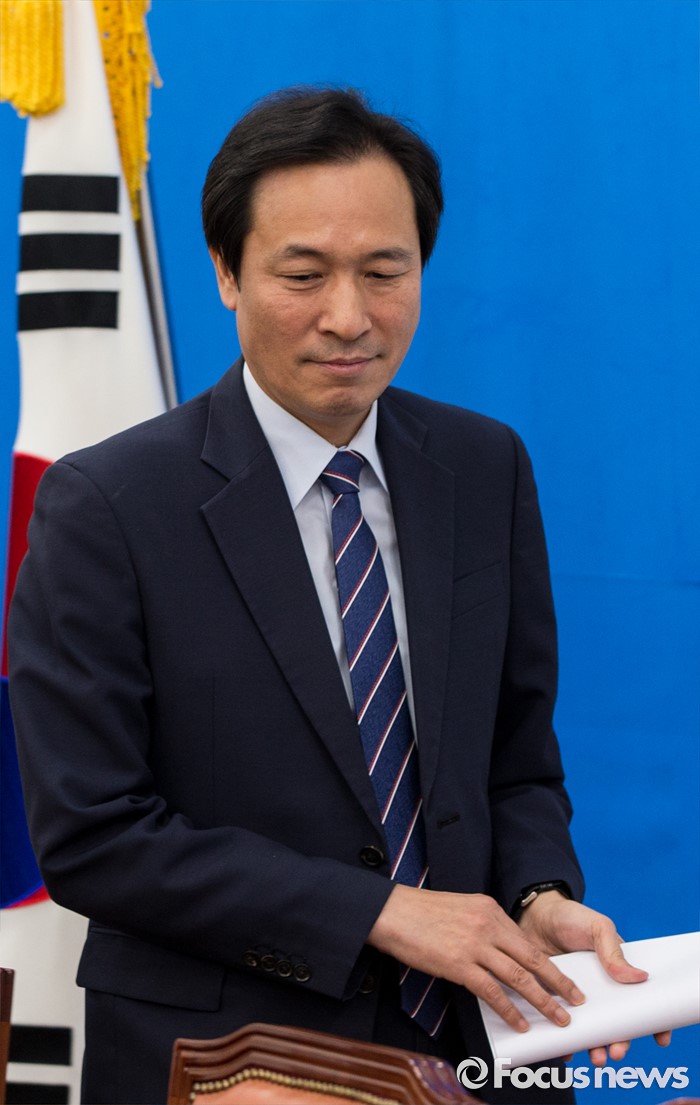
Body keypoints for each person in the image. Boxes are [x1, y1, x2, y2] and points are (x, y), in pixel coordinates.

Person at [8, 87, 668, 1105]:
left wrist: (537, 893)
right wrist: (380, 910)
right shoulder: (108, 503)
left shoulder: (482, 465)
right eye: (304, 274)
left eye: (384, 272)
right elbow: (95, 836)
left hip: (487, 1044)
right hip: (232, 1061)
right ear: (227, 272)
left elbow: (516, 760)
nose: (349, 317)